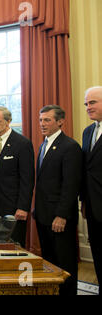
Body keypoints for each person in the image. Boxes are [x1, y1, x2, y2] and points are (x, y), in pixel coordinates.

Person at [34, 105, 82, 296]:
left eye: (47, 120)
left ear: (60, 121)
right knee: (49, 261)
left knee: (65, 263)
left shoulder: (70, 147)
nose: (42, 124)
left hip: (59, 218)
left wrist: (61, 215)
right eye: (40, 120)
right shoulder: (43, 144)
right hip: (43, 215)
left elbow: (71, 186)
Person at [0, 107, 35, 248]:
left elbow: (27, 179)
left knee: (14, 245)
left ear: (8, 122)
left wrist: (23, 207)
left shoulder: (22, 143)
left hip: (13, 206)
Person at [81, 86, 102, 292]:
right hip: (93, 206)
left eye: (92, 102)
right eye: (86, 103)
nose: (88, 107)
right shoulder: (88, 132)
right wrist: (84, 201)